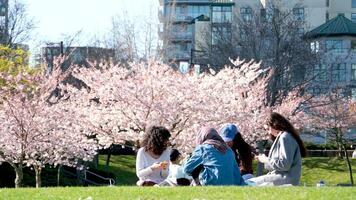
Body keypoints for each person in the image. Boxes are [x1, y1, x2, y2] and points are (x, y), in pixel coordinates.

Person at [247, 112, 307, 186]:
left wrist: (265, 159)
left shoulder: (285, 137)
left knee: (248, 183)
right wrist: (264, 159)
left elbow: (284, 165)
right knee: (247, 181)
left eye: (268, 129)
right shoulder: (284, 137)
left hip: (285, 179)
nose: (268, 132)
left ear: (275, 125)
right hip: (281, 177)